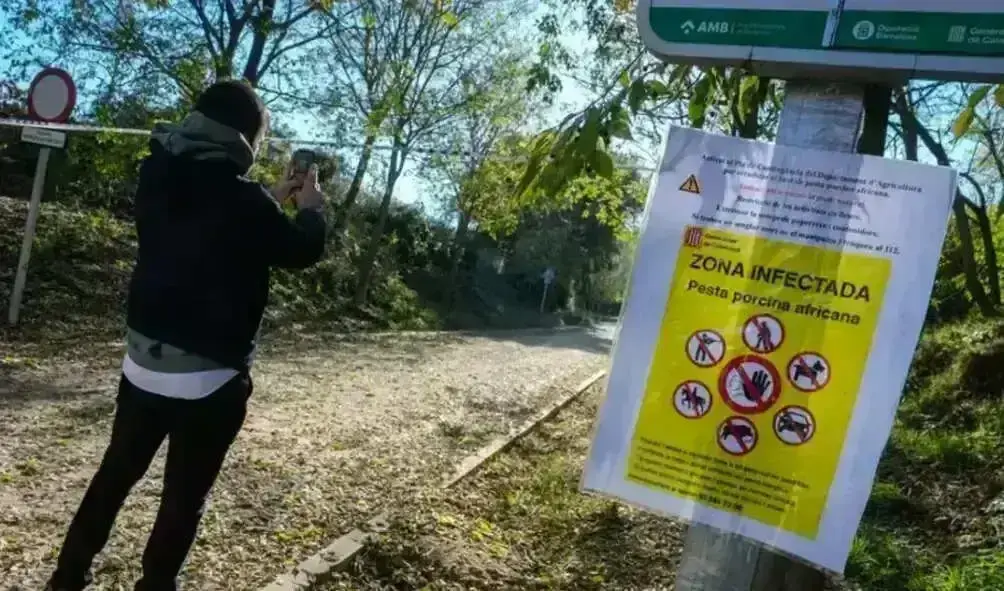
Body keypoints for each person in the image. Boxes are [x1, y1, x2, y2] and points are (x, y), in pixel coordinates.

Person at [46, 79, 327, 591]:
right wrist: (310, 208)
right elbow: (299, 252)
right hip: (209, 380)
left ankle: (66, 578)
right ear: (244, 139)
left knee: (115, 474)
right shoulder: (247, 206)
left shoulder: (156, 173)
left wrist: (267, 197)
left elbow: (203, 220)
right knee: (182, 498)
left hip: (141, 363)